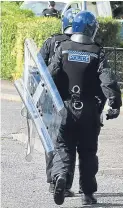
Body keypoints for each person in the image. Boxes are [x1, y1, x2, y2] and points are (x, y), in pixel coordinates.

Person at [48, 11, 122, 206]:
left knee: (63, 147)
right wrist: (114, 103)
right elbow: (108, 79)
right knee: (88, 152)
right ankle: (88, 194)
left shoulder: (62, 48)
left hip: (64, 108)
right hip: (89, 109)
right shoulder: (96, 51)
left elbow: (50, 75)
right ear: (92, 29)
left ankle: (61, 177)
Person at [39, 8, 81, 197]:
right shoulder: (81, 44)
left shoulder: (51, 41)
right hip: (73, 101)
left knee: (53, 142)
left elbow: (39, 68)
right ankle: (65, 182)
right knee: (69, 143)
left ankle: (52, 180)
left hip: (50, 99)